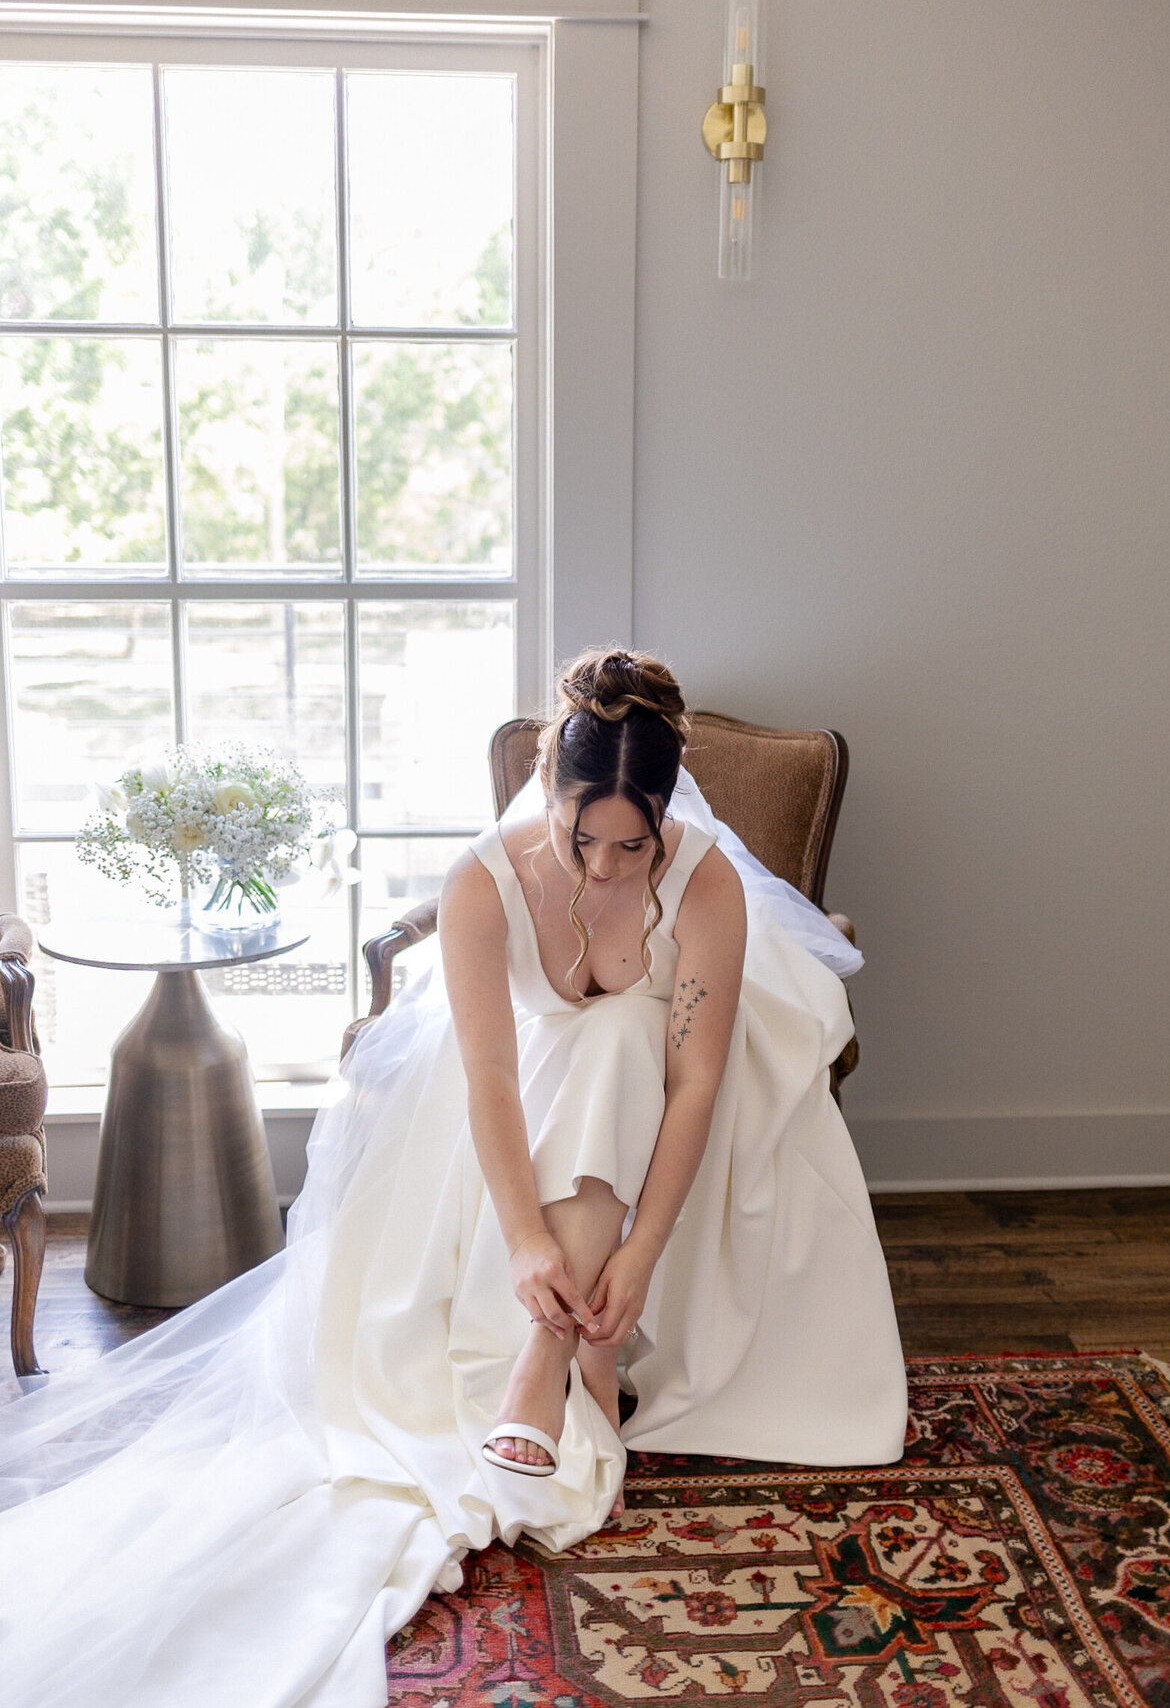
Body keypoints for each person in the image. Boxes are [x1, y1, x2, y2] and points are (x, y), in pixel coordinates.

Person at [0, 648, 907, 1708]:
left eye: (633, 843)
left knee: (622, 1037)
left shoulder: (701, 881)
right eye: (583, 836)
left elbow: (698, 1084)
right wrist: (524, 1242)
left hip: (675, 1110)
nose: (607, 868)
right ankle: (576, 1351)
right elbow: (489, 1077)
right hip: (523, 1112)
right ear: (551, 795)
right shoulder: (485, 879)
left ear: (667, 817)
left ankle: (554, 1352)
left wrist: (645, 1257)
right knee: (598, 1046)